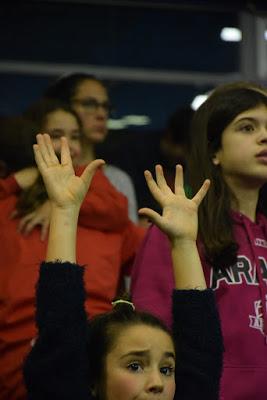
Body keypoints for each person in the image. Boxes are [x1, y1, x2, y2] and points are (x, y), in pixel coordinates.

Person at [23, 133, 223, 400]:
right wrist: (64, 211)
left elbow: (201, 351)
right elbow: (60, 333)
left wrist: (185, 243)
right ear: (92, 381)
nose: (157, 383)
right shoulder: (67, 382)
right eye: (135, 365)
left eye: (167, 369)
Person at [130, 82, 267, 399]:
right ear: (214, 151)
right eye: (247, 127)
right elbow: (151, 332)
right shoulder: (177, 231)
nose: (264, 136)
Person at [0, 100, 143, 400]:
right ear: (31, 141)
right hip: (17, 361)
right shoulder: (9, 211)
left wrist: (62, 203)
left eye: (75, 136)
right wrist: (14, 183)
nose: (68, 145)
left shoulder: (107, 214)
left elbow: (120, 212)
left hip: (99, 360)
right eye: (55, 134)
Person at [43, 73, 138, 222]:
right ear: (64, 107)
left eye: (106, 106)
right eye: (89, 104)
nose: (101, 114)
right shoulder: (42, 175)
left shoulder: (118, 180)